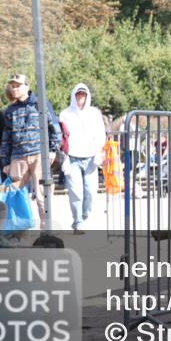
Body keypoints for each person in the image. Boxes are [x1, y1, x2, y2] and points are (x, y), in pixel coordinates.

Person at [0, 74, 62, 223]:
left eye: (18, 85)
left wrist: (52, 149)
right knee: (15, 195)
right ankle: (18, 230)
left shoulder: (40, 104)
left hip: (39, 155)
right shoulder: (9, 111)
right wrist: (6, 162)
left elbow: (54, 127)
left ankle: (46, 230)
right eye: (12, 86)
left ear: (27, 86)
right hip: (18, 157)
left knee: (42, 196)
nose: (14, 89)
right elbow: (6, 138)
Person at [58, 83, 107, 234]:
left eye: (83, 94)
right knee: (75, 191)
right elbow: (62, 137)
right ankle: (77, 221)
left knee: (91, 191)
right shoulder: (65, 114)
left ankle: (85, 214)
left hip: (90, 157)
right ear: (74, 95)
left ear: (87, 96)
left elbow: (100, 134)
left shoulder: (94, 113)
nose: (80, 97)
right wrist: (64, 158)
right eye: (78, 94)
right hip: (72, 157)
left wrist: (99, 152)